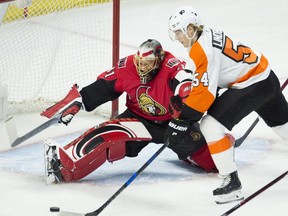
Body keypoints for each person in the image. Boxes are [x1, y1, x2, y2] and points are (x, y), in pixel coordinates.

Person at [41, 39, 219, 185]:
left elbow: (186, 82)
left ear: (159, 60)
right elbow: (104, 87)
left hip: (171, 124)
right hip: (138, 119)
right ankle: (63, 166)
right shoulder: (127, 67)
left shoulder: (170, 66)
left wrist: (185, 102)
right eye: (140, 62)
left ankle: (192, 155)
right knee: (108, 133)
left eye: (148, 63)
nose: (142, 67)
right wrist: (80, 100)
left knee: (213, 162)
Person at [166, 6, 288, 204]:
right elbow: (211, 80)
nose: (177, 37)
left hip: (252, 84)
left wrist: (183, 120)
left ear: (190, 29)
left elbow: (205, 95)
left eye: (179, 32)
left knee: (209, 126)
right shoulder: (206, 35)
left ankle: (231, 183)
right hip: (265, 76)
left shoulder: (201, 50)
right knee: (283, 125)